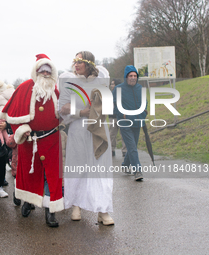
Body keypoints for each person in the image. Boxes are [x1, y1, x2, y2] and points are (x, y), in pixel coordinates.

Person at [0, 54, 63, 227]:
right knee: (29, 172)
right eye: (42, 70)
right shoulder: (25, 87)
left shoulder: (56, 90)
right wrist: (21, 130)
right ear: (36, 71)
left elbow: (63, 114)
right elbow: (12, 116)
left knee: (52, 175)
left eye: (48, 71)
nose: (45, 74)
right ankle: (28, 200)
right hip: (30, 140)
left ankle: (51, 212)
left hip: (51, 139)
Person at [59, 50, 114, 225]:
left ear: (89, 64)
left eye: (80, 61)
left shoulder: (100, 79)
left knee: (100, 169)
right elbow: (63, 107)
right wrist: (81, 112)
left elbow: (107, 103)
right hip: (77, 130)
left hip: (97, 129)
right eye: (74, 61)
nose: (76, 64)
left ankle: (103, 210)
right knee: (78, 167)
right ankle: (76, 205)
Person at [112, 65, 148, 181]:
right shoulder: (118, 89)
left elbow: (145, 102)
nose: (133, 78)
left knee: (132, 146)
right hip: (125, 122)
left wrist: (144, 112)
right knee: (132, 147)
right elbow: (114, 105)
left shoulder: (140, 88)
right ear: (126, 77)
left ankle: (126, 165)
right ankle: (137, 170)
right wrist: (122, 115)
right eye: (130, 76)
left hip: (137, 122)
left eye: (135, 76)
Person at [109, 79, 127, 157]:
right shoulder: (109, 94)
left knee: (123, 134)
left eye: (113, 84)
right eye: (111, 84)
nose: (111, 85)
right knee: (112, 134)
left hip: (121, 116)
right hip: (112, 117)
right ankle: (111, 149)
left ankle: (125, 150)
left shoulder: (122, 94)